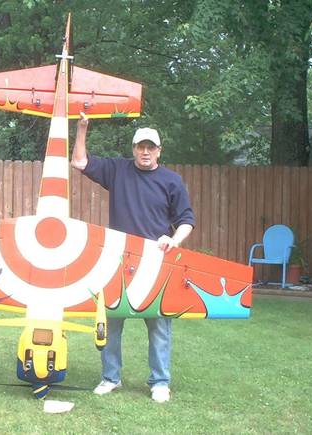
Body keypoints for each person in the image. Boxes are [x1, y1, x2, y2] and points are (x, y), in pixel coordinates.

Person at [71, 113, 195, 403]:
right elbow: (79, 162)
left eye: (151, 147)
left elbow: (187, 220)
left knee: (159, 325)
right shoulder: (118, 171)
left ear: (159, 151)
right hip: (119, 260)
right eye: (141, 146)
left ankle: (160, 382)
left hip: (156, 261)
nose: (145, 152)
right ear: (134, 149)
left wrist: (174, 240)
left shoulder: (172, 181)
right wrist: (82, 128)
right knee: (112, 322)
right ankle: (110, 377)